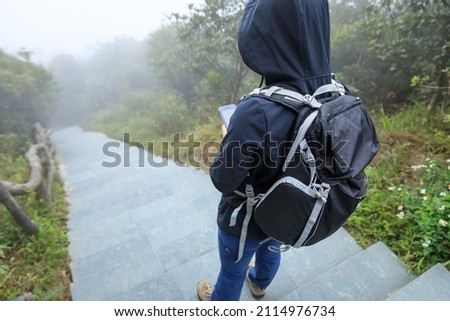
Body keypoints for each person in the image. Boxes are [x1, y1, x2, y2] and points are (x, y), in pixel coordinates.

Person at [197, 0, 332, 301]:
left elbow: (223, 179)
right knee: (271, 248)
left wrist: (228, 137)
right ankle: (259, 282)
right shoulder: (334, 94)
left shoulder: (255, 111)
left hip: (246, 219)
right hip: (291, 211)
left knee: (232, 272)